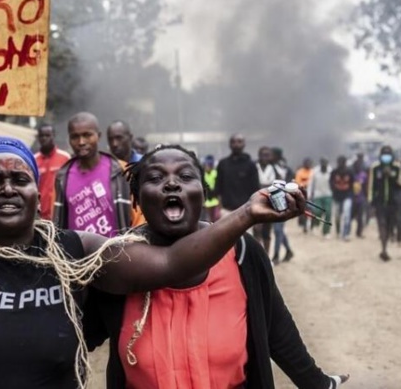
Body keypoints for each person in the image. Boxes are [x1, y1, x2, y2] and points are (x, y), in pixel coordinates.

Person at [0, 136, 311, 389]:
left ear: (40, 190)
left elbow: (169, 267)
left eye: (21, 178)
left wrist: (245, 215)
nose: (9, 188)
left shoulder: (75, 250)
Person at [83, 145, 348, 389]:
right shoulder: (119, 262)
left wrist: (318, 383)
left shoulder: (243, 252)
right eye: (155, 178)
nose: (172, 183)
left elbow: (277, 329)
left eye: (186, 176)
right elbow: (71, 339)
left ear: (203, 193)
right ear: (137, 199)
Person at [53, 112, 143, 237]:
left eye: (87, 135)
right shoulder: (63, 177)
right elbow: (58, 220)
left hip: (116, 253)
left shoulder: (120, 170)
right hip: (78, 255)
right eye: (75, 137)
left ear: (98, 136)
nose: (81, 142)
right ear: (69, 139)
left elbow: (138, 217)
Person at [368, 145, 401, 261]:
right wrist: (371, 203)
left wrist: (391, 175)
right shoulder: (375, 168)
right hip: (380, 202)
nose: (386, 157)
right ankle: (383, 250)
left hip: (393, 202)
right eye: (384, 155)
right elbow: (371, 186)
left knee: (389, 226)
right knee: (382, 224)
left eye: (388, 155)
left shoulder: (397, 167)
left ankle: (386, 243)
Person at [215, 134, 260, 217]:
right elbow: (218, 187)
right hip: (226, 210)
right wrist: (220, 208)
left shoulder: (251, 165)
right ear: (230, 144)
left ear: (244, 144)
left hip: (246, 210)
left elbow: (255, 189)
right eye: (233, 142)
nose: (236, 144)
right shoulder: (223, 164)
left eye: (239, 142)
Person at [34, 124, 71, 220]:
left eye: (47, 135)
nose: (44, 138)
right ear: (38, 138)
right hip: (40, 216)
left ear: (53, 136)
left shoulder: (65, 157)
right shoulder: (33, 160)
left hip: (61, 213)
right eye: (42, 136)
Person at [254, 146, 278, 253]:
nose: (265, 157)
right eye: (262, 155)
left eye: (267, 155)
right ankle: (258, 254)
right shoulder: (254, 166)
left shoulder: (274, 168)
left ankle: (266, 256)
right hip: (256, 200)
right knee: (256, 229)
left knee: (267, 231)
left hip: (270, 201)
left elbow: (278, 184)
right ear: (259, 156)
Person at [330, 156, 354, 240]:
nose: (341, 164)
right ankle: (338, 231)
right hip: (337, 196)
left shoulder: (350, 172)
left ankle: (346, 233)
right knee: (337, 216)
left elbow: (352, 183)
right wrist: (334, 191)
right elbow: (331, 183)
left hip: (347, 196)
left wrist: (351, 194)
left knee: (347, 215)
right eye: (339, 162)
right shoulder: (334, 172)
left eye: (342, 162)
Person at [309, 157, 333, 237]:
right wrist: (309, 194)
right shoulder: (315, 171)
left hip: (328, 194)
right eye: (322, 163)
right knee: (317, 211)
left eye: (325, 163)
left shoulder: (330, 171)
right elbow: (311, 183)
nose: (324, 165)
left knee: (328, 212)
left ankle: (326, 232)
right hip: (318, 194)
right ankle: (316, 224)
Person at [295, 158, 314, 233]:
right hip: (302, 193)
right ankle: (304, 225)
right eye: (307, 163)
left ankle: (311, 225)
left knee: (312, 210)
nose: (308, 165)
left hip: (312, 194)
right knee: (303, 210)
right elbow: (298, 183)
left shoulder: (313, 172)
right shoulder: (300, 172)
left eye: (309, 163)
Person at [351, 157, 369, 238]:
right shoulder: (351, 175)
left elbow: (366, 187)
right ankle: (346, 231)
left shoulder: (364, 175)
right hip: (352, 199)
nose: (358, 167)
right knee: (349, 216)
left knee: (360, 217)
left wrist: (367, 197)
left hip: (361, 199)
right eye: (356, 165)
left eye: (359, 165)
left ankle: (359, 232)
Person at [202, 155, 221, 222]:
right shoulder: (203, 175)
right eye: (206, 165)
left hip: (215, 200)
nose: (207, 167)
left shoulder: (215, 173)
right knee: (208, 219)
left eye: (209, 165)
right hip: (207, 201)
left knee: (216, 218)